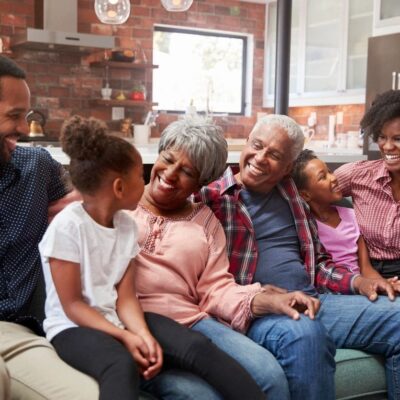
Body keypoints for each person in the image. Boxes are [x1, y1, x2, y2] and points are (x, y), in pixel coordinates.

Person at [39, 115, 268, 400]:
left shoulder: (124, 226)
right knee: (120, 364)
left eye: (187, 170)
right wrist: (126, 336)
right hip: (73, 328)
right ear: (119, 188)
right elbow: (71, 305)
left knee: (198, 347)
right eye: (139, 176)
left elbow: (126, 298)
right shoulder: (68, 225)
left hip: (120, 317)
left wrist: (143, 335)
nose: (148, 180)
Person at [196, 113, 400, 400]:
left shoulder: (291, 193)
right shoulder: (213, 198)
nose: (260, 157)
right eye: (257, 145)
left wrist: (358, 283)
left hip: (316, 300)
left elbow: (317, 264)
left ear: (287, 167)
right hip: (260, 311)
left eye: (274, 154)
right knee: (304, 334)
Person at [131, 119, 322, 400]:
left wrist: (268, 300)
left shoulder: (206, 220)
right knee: (200, 396)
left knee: (268, 375)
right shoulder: (120, 200)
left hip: (192, 323)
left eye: (186, 171)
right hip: (131, 319)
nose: (170, 174)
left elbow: (216, 289)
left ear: (200, 183)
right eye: (168, 159)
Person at [0, 56, 99, 398]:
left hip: (21, 332)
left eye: (24, 117)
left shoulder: (36, 166)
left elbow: (83, 203)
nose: (22, 128)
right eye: (13, 116)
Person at [291, 149, 398, 282]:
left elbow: (366, 269)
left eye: (329, 171)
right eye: (322, 177)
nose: (334, 177)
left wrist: (385, 285)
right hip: (331, 287)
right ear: (305, 195)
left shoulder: (352, 216)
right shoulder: (307, 227)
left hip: (360, 287)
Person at [335, 89, 400, 279]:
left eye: (398, 138)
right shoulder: (357, 175)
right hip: (362, 271)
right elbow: (309, 194)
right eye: (382, 137)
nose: (387, 146)